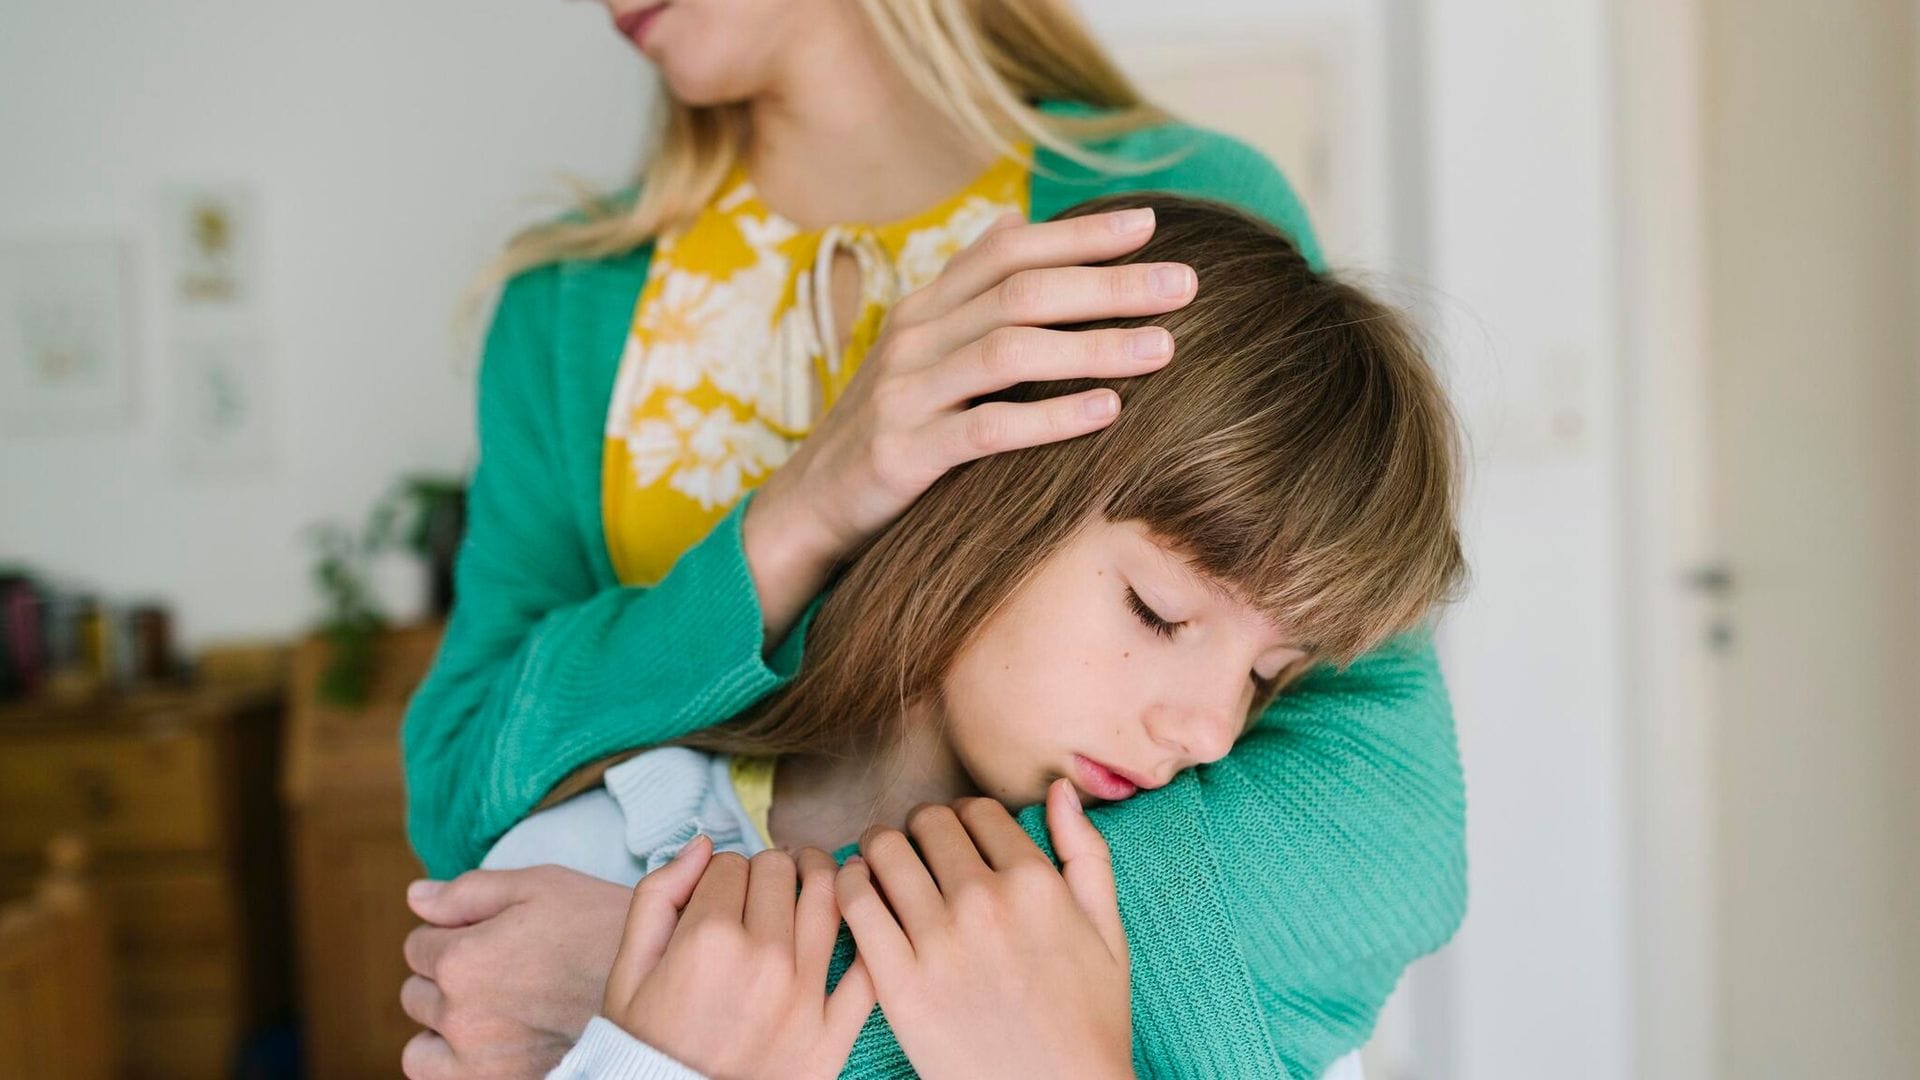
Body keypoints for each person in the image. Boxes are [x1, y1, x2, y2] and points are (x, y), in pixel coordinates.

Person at [398, 2, 1469, 1077]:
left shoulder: (1161, 229)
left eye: (1255, 680)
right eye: (1154, 613)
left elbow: (1376, 853)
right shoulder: (566, 306)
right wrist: (795, 518)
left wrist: (677, 984)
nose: (1207, 729)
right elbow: (460, 805)